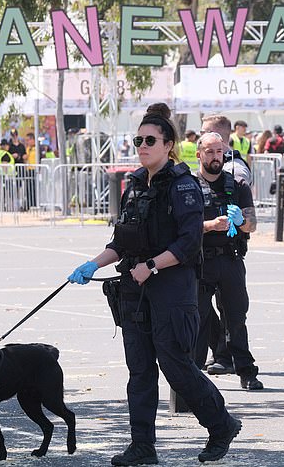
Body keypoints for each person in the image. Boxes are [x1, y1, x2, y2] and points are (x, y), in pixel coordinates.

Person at [68, 103, 241, 465]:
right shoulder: (134, 186)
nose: (142, 145)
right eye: (138, 139)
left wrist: (151, 265)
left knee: (176, 366)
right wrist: (91, 264)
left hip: (172, 291)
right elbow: (121, 242)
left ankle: (220, 423)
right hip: (135, 290)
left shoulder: (182, 186)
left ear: (168, 145)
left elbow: (189, 242)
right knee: (140, 371)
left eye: (150, 140)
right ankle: (142, 446)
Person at [192, 132, 262, 390]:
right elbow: (180, 228)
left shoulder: (236, 186)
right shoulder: (189, 186)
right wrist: (209, 225)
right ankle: (192, 375)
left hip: (230, 260)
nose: (215, 157)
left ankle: (246, 371)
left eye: (219, 151)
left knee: (236, 317)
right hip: (200, 261)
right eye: (209, 152)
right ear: (199, 154)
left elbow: (252, 225)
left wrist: (240, 222)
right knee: (196, 319)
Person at [201, 114, 252, 185]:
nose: (200, 137)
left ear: (214, 135)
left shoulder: (235, 170)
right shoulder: (216, 163)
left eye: (202, 133)